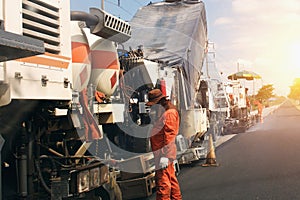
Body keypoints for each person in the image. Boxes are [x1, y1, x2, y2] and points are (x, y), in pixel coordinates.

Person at [146, 88, 182, 200]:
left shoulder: (169, 113)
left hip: (163, 154)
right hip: (163, 153)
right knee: (171, 180)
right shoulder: (167, 111)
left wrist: (165, 157)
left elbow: (169, 137)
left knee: (163, 184)